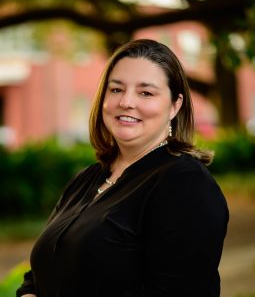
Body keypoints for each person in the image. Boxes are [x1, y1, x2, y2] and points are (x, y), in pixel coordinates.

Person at [17, 39, 229, 297]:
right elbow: (42, 270)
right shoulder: (86, 179)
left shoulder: (187, 185)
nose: (126, 102)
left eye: (146, 93)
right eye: (116, 89)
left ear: (175, 105)